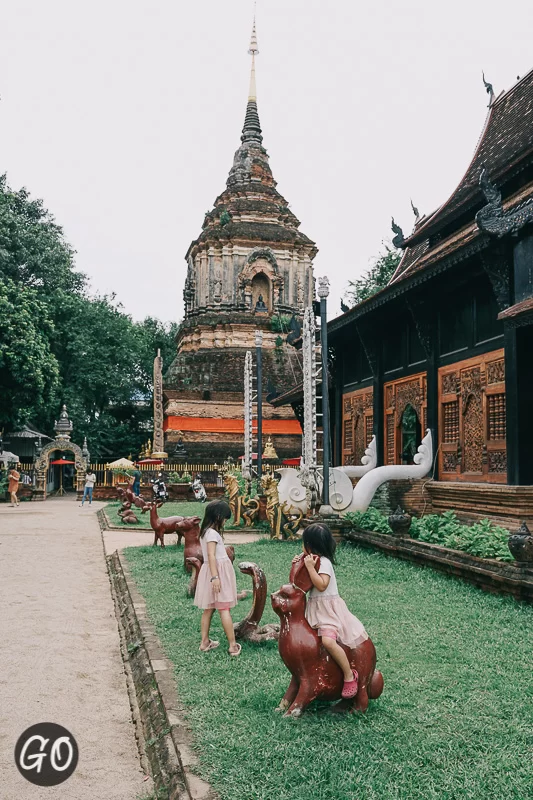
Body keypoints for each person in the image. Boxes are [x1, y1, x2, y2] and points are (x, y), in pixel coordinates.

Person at [299, 522, 368, 699]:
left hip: (328, 613)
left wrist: (308, 567)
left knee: (328, 642)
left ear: (310, 545)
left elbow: (321, 585)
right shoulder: (314, 560)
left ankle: (349, 675)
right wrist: (300, 563)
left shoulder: (325, 563)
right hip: (316, 612)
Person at [194, 499, 241, 656]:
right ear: (219, 516)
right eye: (226, 518)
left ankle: (204, 642)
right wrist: (215, 577)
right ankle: (233, 645)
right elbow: (211, 555)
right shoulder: (212, 534)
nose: (226, 521)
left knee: (209, 609)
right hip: (217, 572)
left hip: (211, 571)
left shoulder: (204, 532)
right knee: (224, 608)